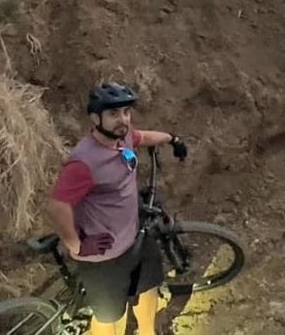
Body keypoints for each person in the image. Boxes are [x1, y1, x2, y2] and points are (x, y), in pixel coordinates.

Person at [48, 82, 188, 335]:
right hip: (105, 258)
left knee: (148, 288)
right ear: (95, 118)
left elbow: (142, 137)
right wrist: (76, 245)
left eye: (125, 112)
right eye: (113, 114)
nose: (122, 119)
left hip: (135, 237)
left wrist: (172, 139)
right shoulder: (84, 162)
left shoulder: (122, 137)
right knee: (109, 317)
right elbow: (58, 205)